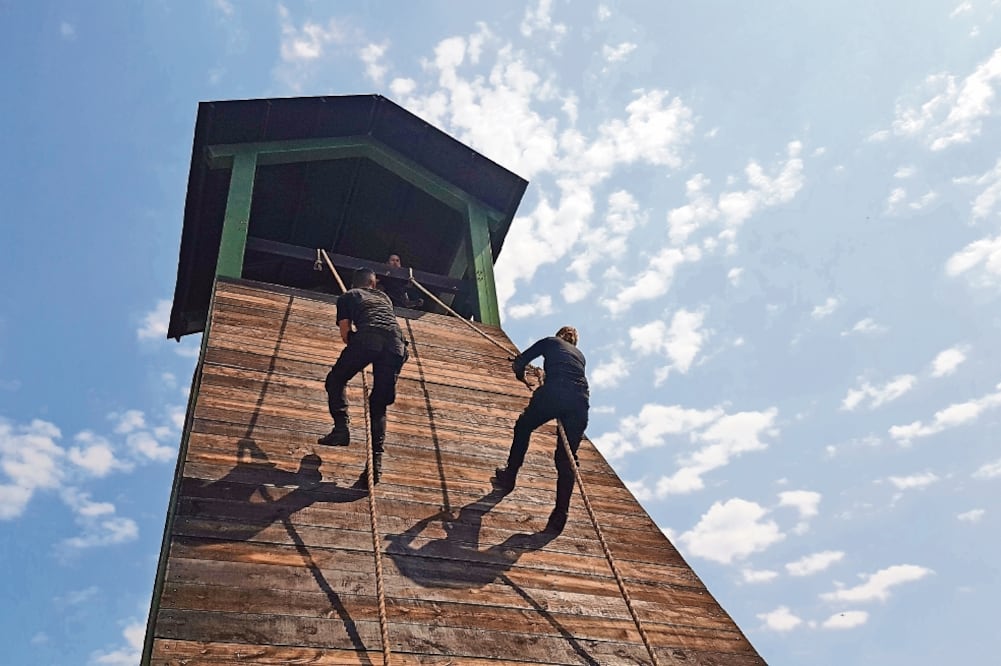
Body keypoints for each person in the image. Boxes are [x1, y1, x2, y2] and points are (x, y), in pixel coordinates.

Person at [492, 326, 589, 533]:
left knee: (524, 426)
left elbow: (520, 361)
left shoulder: (550, 342)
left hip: (554, 392)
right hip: (580, 402)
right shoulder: (580, 356)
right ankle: (560, 514)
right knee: (566, 459)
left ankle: (510, 475)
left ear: (559, 335)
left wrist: (522, 377)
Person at [319, 268, 408, 485]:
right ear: (373, 284)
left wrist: (357, 345)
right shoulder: (384, 298)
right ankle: (375, 468)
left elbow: (345, 334)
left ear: (353, 284)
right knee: (378, 405)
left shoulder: (347, 296)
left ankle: (341, 428)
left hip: (369, 338)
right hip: (398, 346)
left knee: (336, 379)